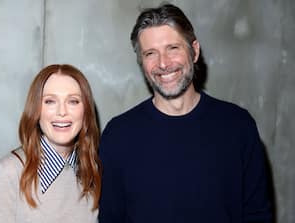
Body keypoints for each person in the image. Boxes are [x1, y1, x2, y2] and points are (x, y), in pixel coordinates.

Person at [99, 3, 272, 223]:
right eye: (151, 53)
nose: (163, 63)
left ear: (195, 51)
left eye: (173, 48)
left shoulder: (238, 126)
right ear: (142, 63)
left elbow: (257, 215)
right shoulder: (119, 135)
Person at [0, 64, 101, 223]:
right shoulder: (9, 173)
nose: (62, 111)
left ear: (86, 111)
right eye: (50, 101)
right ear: (36, 110)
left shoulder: (93, 170)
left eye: (73, 101)